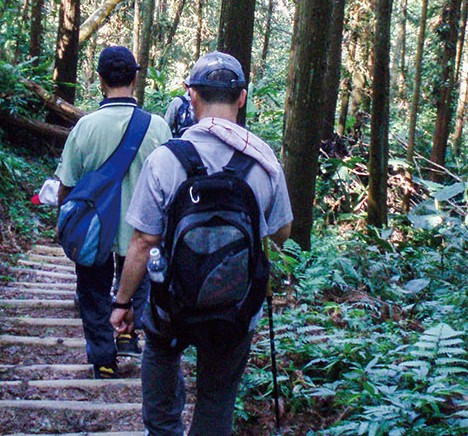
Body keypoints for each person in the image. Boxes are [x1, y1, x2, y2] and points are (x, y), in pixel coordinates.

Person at [109, 51, 293, 435]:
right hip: (236, 308)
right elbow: (281, 233)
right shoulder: (263, 160)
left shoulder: (165, 160)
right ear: (242, 98)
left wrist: (123, 303)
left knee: (161, 357)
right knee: (216, 400)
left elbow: (142, 242)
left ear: (191, 96)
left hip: (170, 303)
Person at [55, 45, 171, 379]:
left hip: (94, 229)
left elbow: (67, 184)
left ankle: (104, 359)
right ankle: (127, 335)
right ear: (135, 77)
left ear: (101, 80)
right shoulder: (158, 128)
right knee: (137, 285)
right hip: (143, 232)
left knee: (92, 292)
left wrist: (65, 219)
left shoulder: (85, 128)